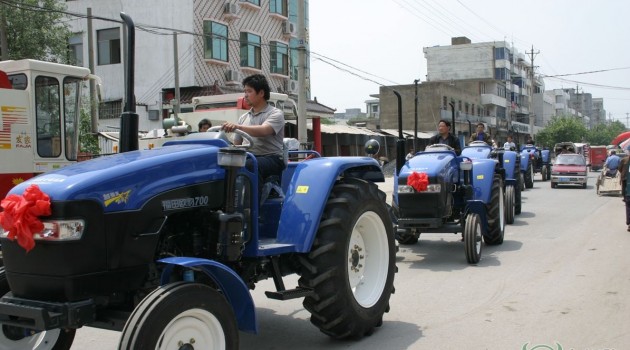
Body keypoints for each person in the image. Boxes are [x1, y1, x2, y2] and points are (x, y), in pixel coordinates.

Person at [222, 74, 286, 187]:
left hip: (271, 158)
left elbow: (264, 130)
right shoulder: (243, 118)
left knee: (250, 165)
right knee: (223, 164)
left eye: (249, 91)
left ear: (261, 93)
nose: (245, 95)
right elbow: (237, 145)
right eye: (245, 91)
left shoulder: (275, 113)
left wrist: (237, 127)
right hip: (249, 156)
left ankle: (251, 204)